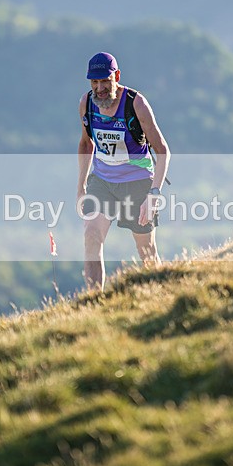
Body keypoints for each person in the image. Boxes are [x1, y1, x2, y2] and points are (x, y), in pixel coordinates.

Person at [77, 52, 170, 290]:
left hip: (137, 181)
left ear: (116, 76)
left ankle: (161, 294)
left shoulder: (136, 104)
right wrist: (81, 185)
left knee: (146, 249)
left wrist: (154, 194)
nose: (99, 88)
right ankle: (93, 300)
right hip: (103, 180)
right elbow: (86, 143)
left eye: (105, 81)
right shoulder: (86, 104)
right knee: (91, 235)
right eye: (94, 83)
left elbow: (162, 150)